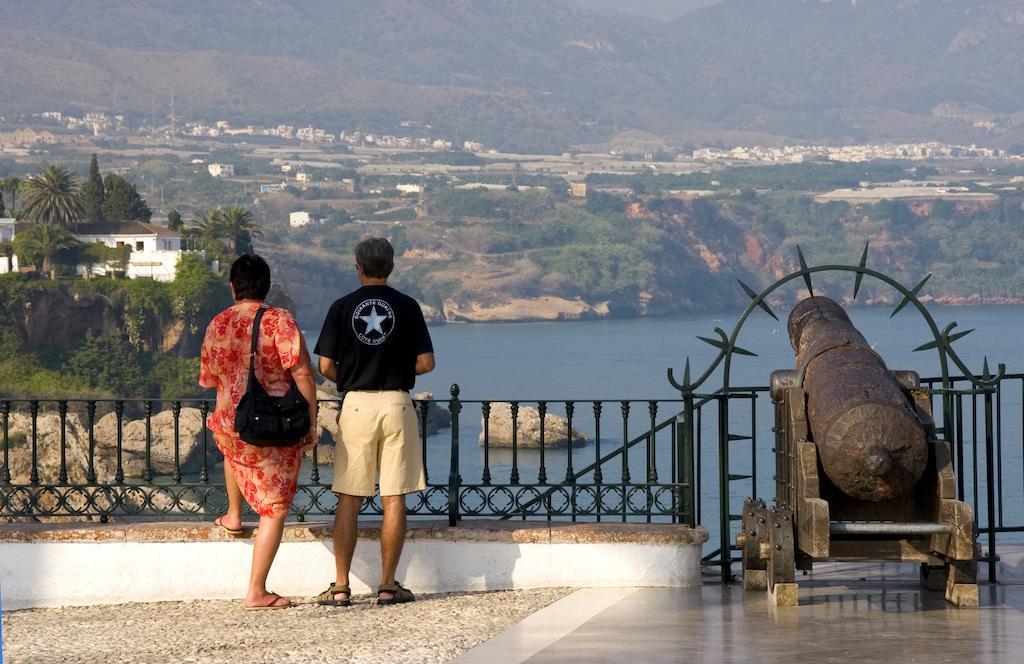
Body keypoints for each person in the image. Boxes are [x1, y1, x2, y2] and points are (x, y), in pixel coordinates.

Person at [314, 237, 435, 606]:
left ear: (359, 268)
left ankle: (340, 586)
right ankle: (387, 584)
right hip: (397, 404)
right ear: (392, 266)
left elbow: (324, 366)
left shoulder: (341, 307)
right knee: (394, 497)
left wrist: (350, 376)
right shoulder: (408, 306)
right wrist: (397, 367)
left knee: (349, 498)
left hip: (356, 406)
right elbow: (426, 363)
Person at [199, 254, 318, 610]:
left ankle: (233, 515)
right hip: (274, 426)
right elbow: (302, 375)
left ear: (233, 286)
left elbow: (210, 378)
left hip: (233, 423)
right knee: (274, 509)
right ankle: (257, 590)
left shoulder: (217, 324)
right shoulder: (280, 321)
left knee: (232, 455)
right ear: (266, 287)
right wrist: (311, 421)